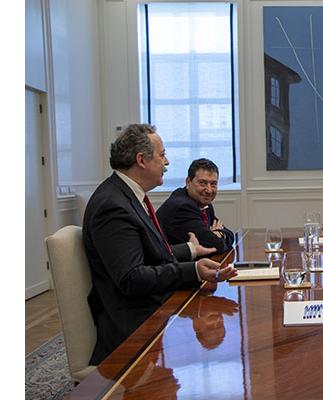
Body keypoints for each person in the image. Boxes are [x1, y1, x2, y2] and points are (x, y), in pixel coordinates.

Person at [82, 124, 237, 365]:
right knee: (220, 337)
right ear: (141, 160)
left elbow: (145, 253)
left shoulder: (127, 195)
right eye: (162, 154)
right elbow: (132, 278)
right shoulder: (112, 205)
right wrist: (193, 270)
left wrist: (191, 251)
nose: (166, 162)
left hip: (154, 305)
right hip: (137, 325)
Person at [157, 158, 235, 255]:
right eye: (202, 183)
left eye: (213, 184)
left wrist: (218, 233)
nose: (209, 190)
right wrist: (217, 234)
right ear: (188, 182)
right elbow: (217, 246)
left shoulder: (205, 205)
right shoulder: (182, 207)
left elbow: (230, 234)